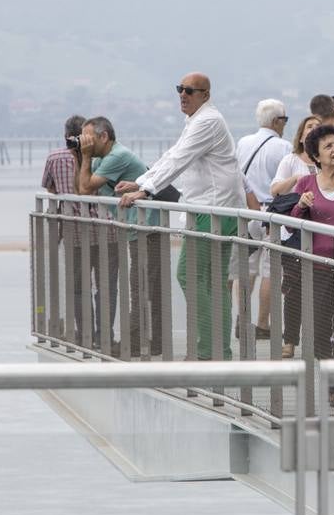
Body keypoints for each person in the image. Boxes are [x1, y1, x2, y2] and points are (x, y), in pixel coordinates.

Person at [118, 73, 246, 361]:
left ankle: (208, 350)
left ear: (205, 94)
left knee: (188, 275)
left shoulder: (208, 121)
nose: (183, 95)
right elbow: (172, 154)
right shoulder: (198, 121)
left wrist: (147, 191)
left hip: (211, 211)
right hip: (211, 210)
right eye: (180, 89)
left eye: (189, 90)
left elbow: (180, 158)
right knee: (213, 281)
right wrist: (142, 182)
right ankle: (218, 350)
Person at [75, 116, 153, 353]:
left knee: (141, 286)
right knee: (139, 285)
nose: (84, 142)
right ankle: (141, 341)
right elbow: (84, 191)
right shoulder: (103, 159)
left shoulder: (117, 156)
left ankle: (139, 343)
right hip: (135, 227)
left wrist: (85, 156)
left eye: (88, 137)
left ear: (103, 136)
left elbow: (86, 187)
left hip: (147, 227)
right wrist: (84, 156)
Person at [285, 123, 334, 363]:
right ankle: (326, 371)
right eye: (328, 146)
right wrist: (301, 206)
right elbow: (291, 225)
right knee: (319, 326)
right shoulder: (306, 184)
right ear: (316, 155)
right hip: (316, 266)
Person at [233, 99, 291, 341]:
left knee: (245, 270)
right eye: (284, 120)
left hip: (246, 212)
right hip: (271, 214)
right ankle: (263, 323)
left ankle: (242, 318)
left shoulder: (243, 143)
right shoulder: (284, 147)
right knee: (270, 271)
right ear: (277, 121)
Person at [41, 114, 88, 340]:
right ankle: (101, 332)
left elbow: (49, 188)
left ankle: (82, 332)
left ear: (65, 135)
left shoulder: (54, 157)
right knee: (105, 285)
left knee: (77, 283)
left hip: (69, 227)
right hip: (99, 227)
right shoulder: (96, 159)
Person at [270, 115, 321, 200]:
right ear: (301, 138)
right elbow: (274, 191)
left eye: (318, 127)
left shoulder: (327, 161)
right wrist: (295, 179)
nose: (314, 129)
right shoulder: (290, 160)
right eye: (309, 126)